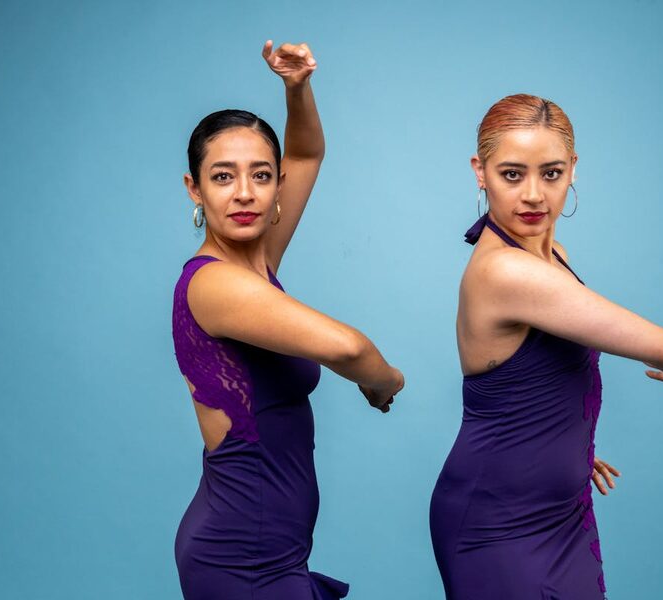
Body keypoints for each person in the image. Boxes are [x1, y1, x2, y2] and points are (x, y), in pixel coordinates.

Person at [429, 94, 663, 599]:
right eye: (512, 174)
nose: (534, 195)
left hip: (562, 511)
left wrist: (565, 449)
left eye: (551, 172)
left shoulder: (552, 256)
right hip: (498, 521)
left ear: (573, 171)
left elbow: (534, 380)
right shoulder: (507, 271)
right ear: (481, 172)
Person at [171, 41, 404, 600]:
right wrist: (386, 382)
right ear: (194, 189)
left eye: (261, 175)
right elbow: (349, 349)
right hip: (242, 559)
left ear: (277, 186)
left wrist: (296, 89)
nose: (245, 193)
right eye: (223, 177)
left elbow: (305, 155)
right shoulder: (215, 284)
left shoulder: (256, 263)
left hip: (272, 548)